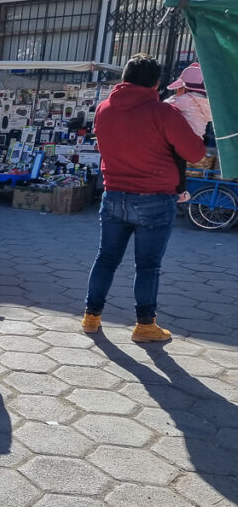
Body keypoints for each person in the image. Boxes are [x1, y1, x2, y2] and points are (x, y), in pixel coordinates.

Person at [82, 53, 206, 342]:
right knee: (148, 265)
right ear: (157, 83)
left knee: (106, 258)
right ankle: (145, 326)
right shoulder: (163, 112)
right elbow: (195, 153)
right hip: (154, 199)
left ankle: (91, 317)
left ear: (124, 78)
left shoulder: (103, 108)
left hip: (112, 195)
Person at [165, 63, 212, 203]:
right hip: (196, 140)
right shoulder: (204, 103)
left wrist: (175, 97)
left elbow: (164, 107)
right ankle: (180, 191)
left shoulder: (185, 100)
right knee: (181, 164)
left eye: (179, 88)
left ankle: (178, 192)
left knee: (175, 160)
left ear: (185, 88)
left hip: (182, 137)